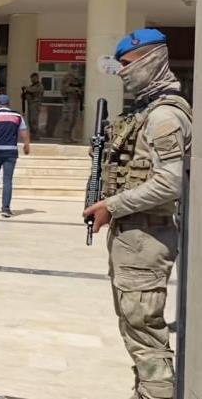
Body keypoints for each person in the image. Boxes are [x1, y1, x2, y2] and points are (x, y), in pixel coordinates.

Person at [82, 29, 191, 399]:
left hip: (148, 235)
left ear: (152, 59)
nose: (123, 73)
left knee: (144, 330)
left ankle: (156, 392)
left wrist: (111, 206)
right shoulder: (146, 112)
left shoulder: (165, 116)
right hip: (134, 235)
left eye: (128, 64)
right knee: (134, 325)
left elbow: (169, 183)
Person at [59, 71, 83, 143]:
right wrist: (74, 89)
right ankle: (65, 137)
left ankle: (70, 137)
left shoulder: (77, 81)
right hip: (69, 103)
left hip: (75, 102)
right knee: (68, 120)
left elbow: (80, 90)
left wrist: (78, 90)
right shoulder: (67, 81)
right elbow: (64, 90)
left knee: (73, 120)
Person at [23, 73, 44, 140]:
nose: (32, 79)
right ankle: (32, 135)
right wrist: (24, 94)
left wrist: (26, 88)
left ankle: (36, 135)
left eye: (33, 78)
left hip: (35, 105)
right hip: (30, 105)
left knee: (34, 120)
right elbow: (27, 94)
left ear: (37, 78)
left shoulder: (39, 86)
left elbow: (33, 90)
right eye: (31, 78)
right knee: (30, 121)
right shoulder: (31, 86)